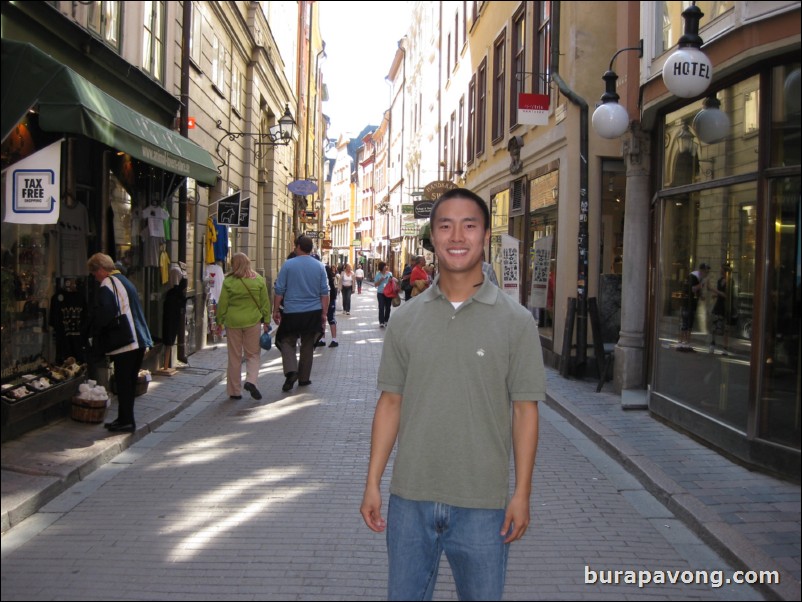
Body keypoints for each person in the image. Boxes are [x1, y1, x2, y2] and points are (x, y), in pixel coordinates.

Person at [360, 188, 545, 601]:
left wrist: (522, 494)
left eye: (469, 225)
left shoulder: (516, 323)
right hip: (410, 500)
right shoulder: (406, 319)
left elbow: (525, 412)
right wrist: (373, 481)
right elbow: (391, 402)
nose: (457, 236)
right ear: (433, 237)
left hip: (483, 504)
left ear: (484, 236)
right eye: (445, 226)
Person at [87, 253, 153, 433]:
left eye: (94, 273)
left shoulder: (108, 283)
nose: (95, 277)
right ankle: (125, 418)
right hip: (138, 339)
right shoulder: (124, 280)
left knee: (123, 382)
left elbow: (107, 311)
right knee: (129, 383)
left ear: (100, 269)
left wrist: (97, 330)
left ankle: (126, 421)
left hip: (126, 341)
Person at [273, 236, 329, 391]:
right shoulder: (319, 266)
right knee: (308, 344)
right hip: (312, 312)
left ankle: (291, 371)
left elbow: (279, 290)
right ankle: (304, 378)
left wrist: (276, 309)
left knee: (286, 340)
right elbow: (325, 292)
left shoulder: (288, 265)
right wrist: (324, 313)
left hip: (292, 311)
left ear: (298, 246)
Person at [217, 252, 271, 400]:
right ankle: (251, 381)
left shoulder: (229, 281)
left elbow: (223, 304)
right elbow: (265, 303)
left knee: (234, 356)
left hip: (233, 322)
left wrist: (219, 321)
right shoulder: (258, 280)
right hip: (253, 321)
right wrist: (266, 321)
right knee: (253, 354)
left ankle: (234, 391)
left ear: (234, 264)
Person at [679, 262, 710, 351]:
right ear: (701, 270)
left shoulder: (694, 277)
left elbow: (694, 290)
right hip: (688, 303)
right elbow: (693, 288)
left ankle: (683, 343)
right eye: (706, 271)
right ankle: (685, 343)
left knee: (686, 323)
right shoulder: (694, 277)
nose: (706, 273)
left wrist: (701, 296)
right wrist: (702, 284)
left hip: (688, 302)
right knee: (687, 323)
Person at [709, 263, 731, 354]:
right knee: (714, 326)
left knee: (725, 328)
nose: (720, 270)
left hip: (726, 307)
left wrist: (715, 291)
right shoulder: (719, 281)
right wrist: (715, 295)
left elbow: (726, 295)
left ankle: (725, 348)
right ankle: (712, 344)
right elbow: (720, 294)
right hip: (718, 306)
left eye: (721, 269)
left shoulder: (730, 282)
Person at [321, 264, 339, 348]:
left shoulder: (325, 280)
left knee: (327, 318)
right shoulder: (328, 280)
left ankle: (331, 339)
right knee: (328, 319)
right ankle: (326, 339)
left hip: (328, 300)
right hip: (330, 300)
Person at [373, 262, 394, 328]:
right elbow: (375, 285)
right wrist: (380, 280)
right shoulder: (378, 275)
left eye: (386, 266)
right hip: (380, 293)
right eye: (385, 266)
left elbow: (393, 282)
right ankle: (381, 322)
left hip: (388, 292)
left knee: (388, 307)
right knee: (381, 307)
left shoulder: (390, 274)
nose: (386, 267)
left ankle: (386, 320)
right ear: (381, 267)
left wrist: (391, 280)